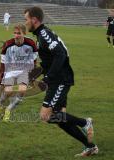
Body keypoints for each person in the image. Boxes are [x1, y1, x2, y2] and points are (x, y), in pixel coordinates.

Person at [24, 6, 98, 157]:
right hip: (57, 79)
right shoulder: (40, 36)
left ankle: (84, 122)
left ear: (34, 19)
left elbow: (60, 54)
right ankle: (90, 146)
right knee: (59, 119)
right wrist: (32, 75)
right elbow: (47, 63)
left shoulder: (44, 34)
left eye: (26, 19)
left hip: (61, 80)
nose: (25, 23)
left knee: (46, 116)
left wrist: (47, 78)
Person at [0, 23, 38, 122]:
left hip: (24, 70)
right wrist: (1, 81)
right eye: (15, 33)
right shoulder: (8, 44)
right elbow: (2, 63)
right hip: (11, 70)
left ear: (24, 33)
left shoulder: (31, 44)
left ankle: (8, 110)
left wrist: (32, 77)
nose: (16, 36)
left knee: (22, 90)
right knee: (8, 92)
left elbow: (34, 61)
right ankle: (0, 104)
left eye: (19, 33)